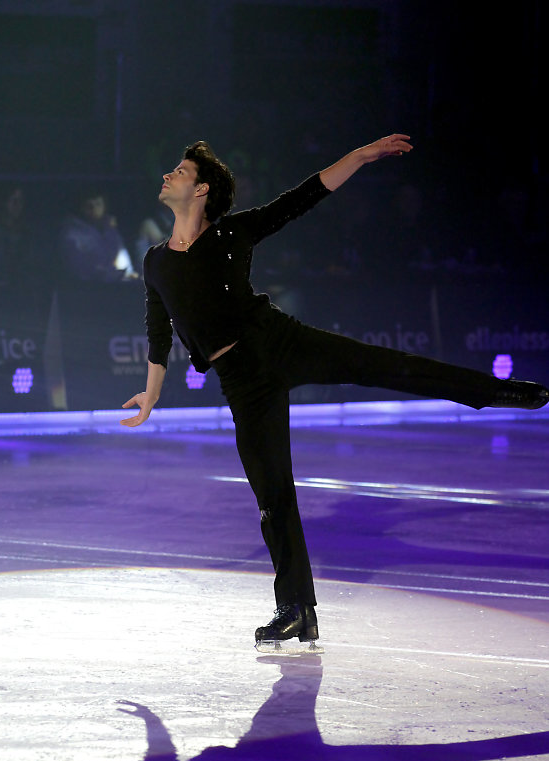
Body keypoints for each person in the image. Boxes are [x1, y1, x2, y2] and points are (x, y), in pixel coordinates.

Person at [121, 136, 549, 647]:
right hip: (241, 380)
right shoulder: (155, 262)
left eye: (180, 170)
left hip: (278, 342)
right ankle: (297, 609)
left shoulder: (233, 232)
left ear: (202, 189)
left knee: (386, 365)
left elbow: (304, 195)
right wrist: (150, 395)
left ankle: (493, 393)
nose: (168, 175)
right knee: (272, 495)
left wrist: (363, 156)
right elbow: (158, 332)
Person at [58, 187, 136, 283]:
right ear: (81, 208)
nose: (94, 209)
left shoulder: (110, 230)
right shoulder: (71, 234)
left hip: (115, 286)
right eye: (89, 206)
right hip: (87, 289)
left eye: (98, 204)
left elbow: (124, 264)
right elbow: (80, 270)